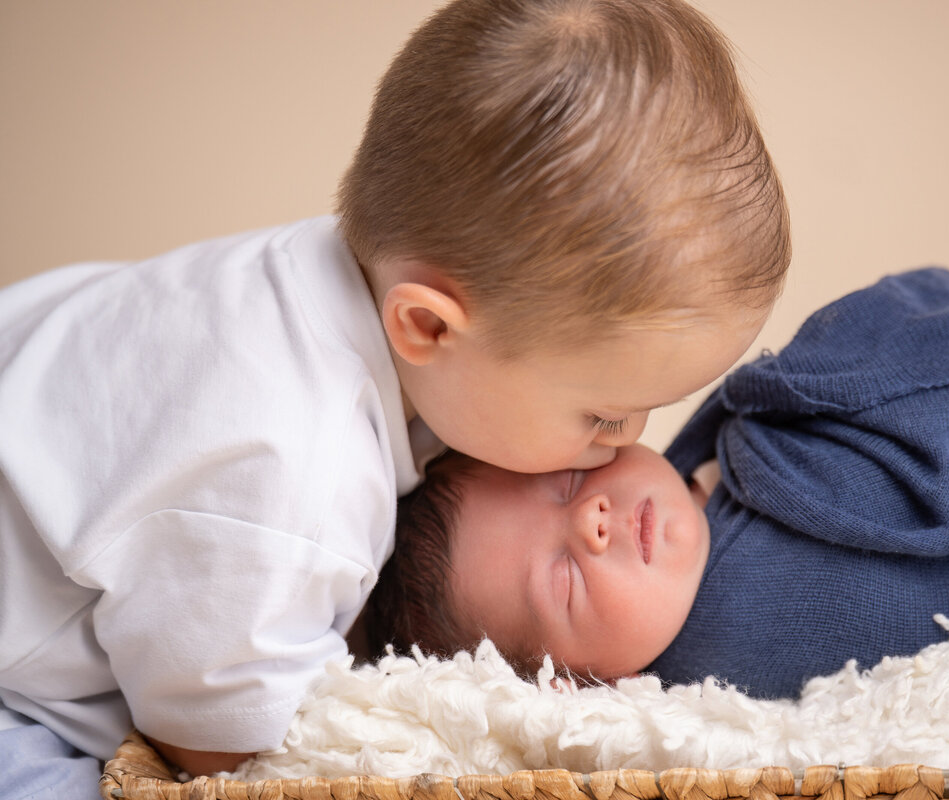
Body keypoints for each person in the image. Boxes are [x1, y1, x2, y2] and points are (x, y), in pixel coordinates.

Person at [0, 0, 789, 788]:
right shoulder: (291, 483)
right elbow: (219, 750)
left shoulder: (321, 273)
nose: (627, 440)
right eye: (602, 415)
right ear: (429, 327)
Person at [359, 268, 949, 698]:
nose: (597, 522)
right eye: (568, 577)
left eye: (570, 480)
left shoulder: (714, 463)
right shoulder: (718, 646)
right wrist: (766, 410)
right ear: (574, 684)